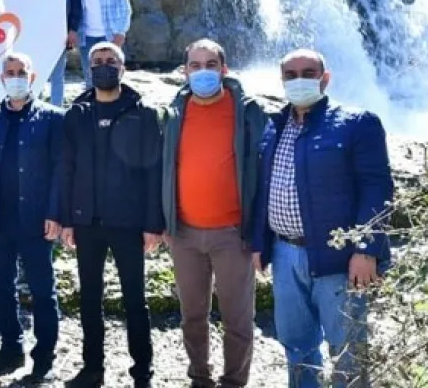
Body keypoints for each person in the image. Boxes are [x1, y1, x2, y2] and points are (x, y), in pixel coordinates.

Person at [251, 49, 392, 388]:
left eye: (308, 72)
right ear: (282, 81)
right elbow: (263, 188)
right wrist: (259, 243)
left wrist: (366, 249)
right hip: (285, 254)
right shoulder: (274, 126)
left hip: (340, 259)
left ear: (325, 78)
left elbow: (377, 188)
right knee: (297, 345)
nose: (299, 80)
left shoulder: (357, 123)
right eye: (291, 75)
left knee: (348, 349)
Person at [161, 40, 270, 388]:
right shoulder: (174, 113)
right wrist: (164, 220)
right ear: (185, 71)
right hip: (185, 234)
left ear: (224, 70)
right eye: (196, 65)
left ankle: (234, 382)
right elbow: (159, 168)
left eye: (211, 64)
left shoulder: (247, 112)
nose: (203, 71)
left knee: (238, 319)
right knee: (192, 316)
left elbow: (265, 169)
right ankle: (199, 377)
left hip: (232, 234)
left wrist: (258, 232)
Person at [61, 42, 164, 388]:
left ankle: (142, 372)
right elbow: (67, 169)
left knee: (135, 298)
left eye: (110, 61)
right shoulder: (76, 114)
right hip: (86, 222)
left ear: (123, 67)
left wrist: (153, 224)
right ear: (89, 69)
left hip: (129, 224)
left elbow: (154, 172)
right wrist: (66, 219)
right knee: (89, 297)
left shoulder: (143, 112)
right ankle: (92, 369)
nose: (103, 66)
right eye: (97, 62)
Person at [0, 52, 63, 383]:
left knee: (42, 289)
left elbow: (60, 169)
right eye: (10, 72)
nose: (16, 77)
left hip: (37, 219)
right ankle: (11, 346)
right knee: (0, 288)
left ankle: (45, 355)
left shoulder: (53, 118)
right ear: (1, 79)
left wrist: (56, 212)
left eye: (22, 72)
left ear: (33, 77)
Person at [28, 0, 81, 107]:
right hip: (35, 32)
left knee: (58, 75)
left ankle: (57, 110)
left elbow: (75, 4)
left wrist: (72, 29)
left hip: (59, 31)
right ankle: (34, 107)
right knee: (34, 73)